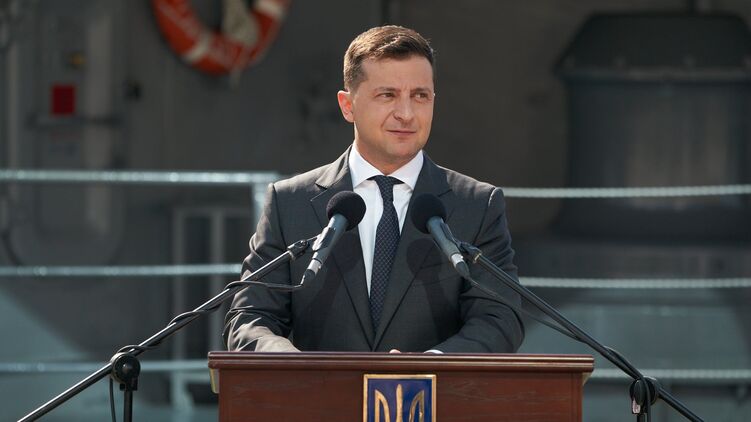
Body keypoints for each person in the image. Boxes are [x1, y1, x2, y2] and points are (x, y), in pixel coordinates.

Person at [223, 25, 524, 353]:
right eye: (387, 95)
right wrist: (292, 364)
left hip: (435, 387)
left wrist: (430, 366)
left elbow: (500, 317)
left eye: (420, 96)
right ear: (347, 105)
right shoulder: (290, 203)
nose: (406, 114)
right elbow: (250, 317)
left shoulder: (477, 205)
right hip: (316, 386)